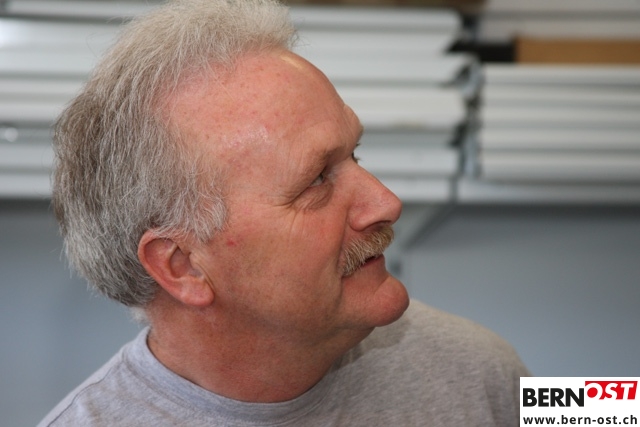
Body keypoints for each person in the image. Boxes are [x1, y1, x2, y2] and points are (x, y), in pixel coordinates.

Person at [39, 0, 529, 425]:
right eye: (315, 180)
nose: (385, 203)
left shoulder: (483, 374)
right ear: (184, 266)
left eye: (355, 156)